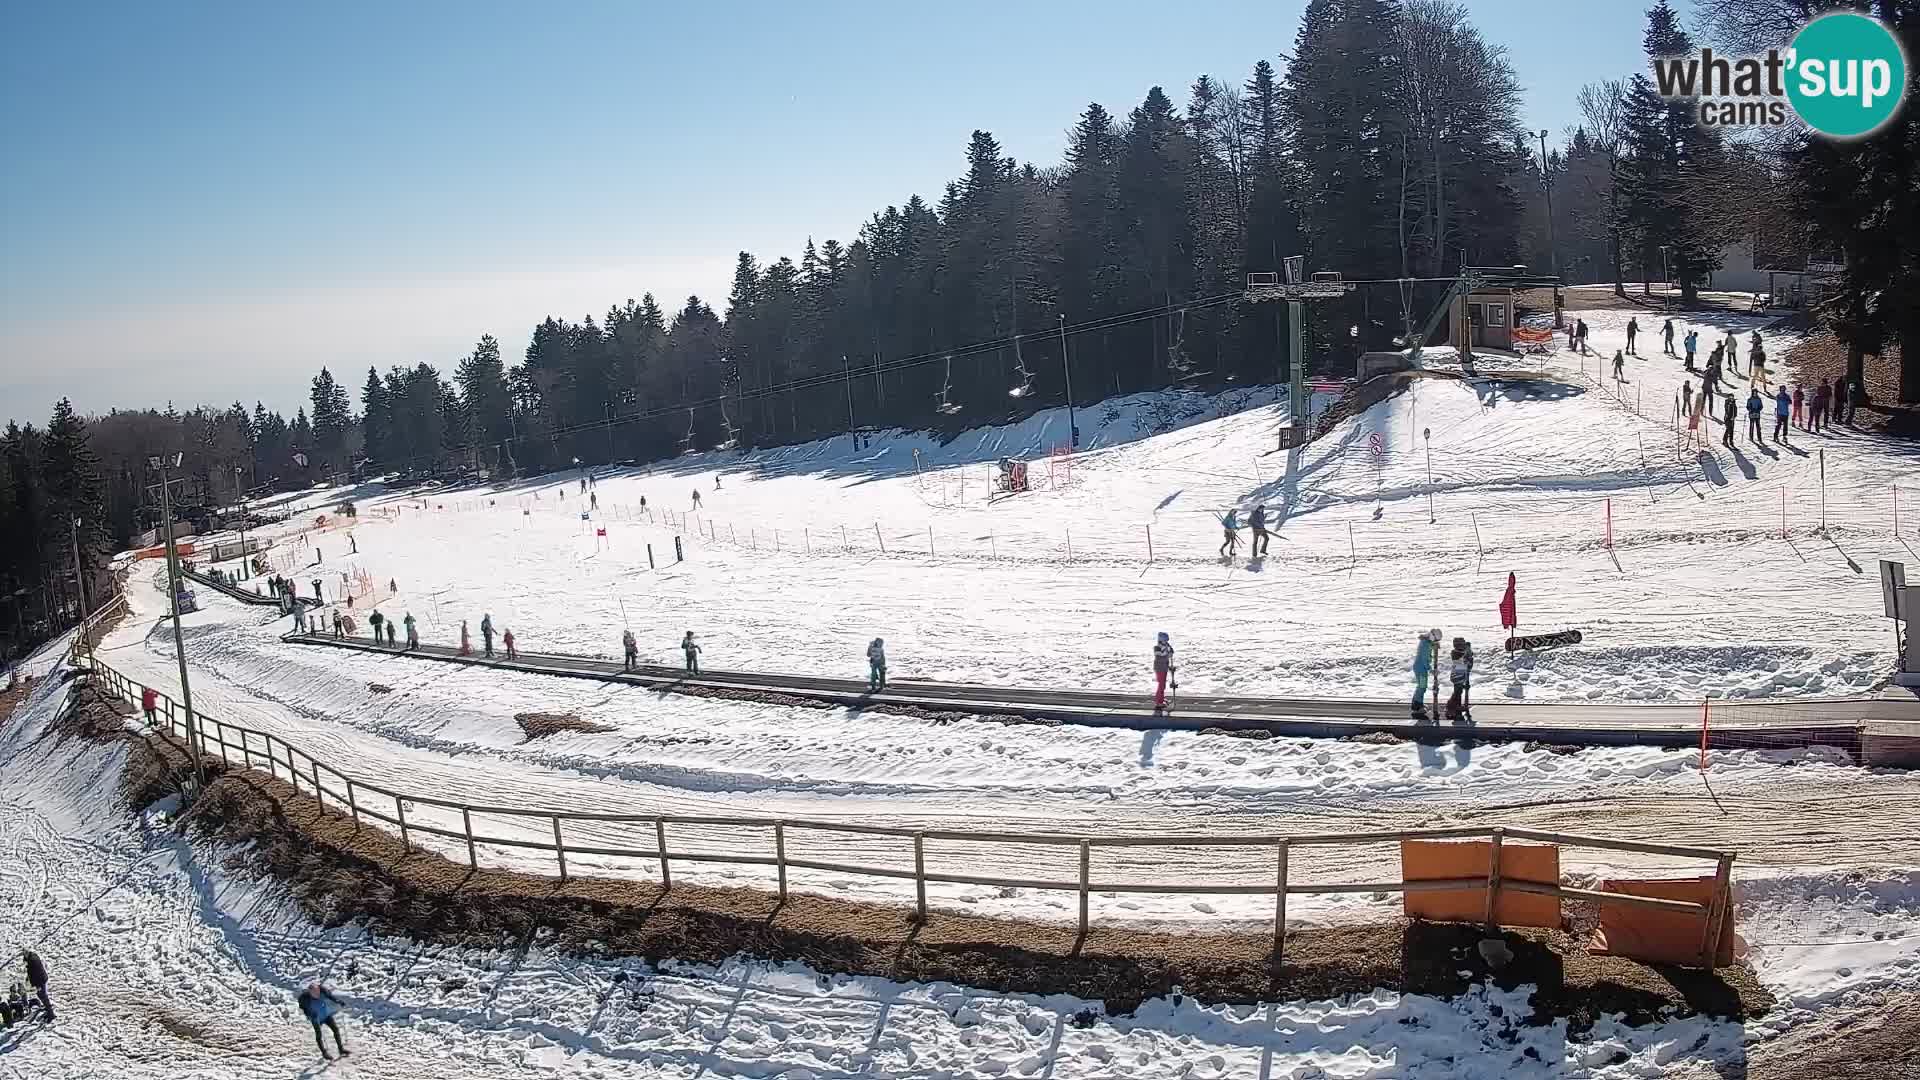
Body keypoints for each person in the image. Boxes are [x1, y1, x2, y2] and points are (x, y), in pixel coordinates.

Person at [297, 983, 349, 1060]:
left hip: (326, 1015)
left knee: (335, 1029)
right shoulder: (305, 999)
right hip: (315, 1019)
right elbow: (304, 1010)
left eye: (318, 992)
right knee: (319, 1035)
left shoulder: (323, 991)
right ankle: (324, 1053)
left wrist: (338, 1001)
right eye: (315, 993)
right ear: (310, 992)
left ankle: (341, 1049)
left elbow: (330, 997)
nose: (317, 994)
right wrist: (310, 1014)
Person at [1411, 629, 1439, 719]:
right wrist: (1430, 670)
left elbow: (1429, 646)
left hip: (1420, 668)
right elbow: (1424, 659)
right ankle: (1417, 706)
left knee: (1422, 686)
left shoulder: (1426, 642)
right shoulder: (1425, 645)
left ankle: (1418, 703)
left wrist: (1433, 645)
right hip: (1421, 668)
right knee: (1422, 686)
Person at [1446, 637, 1474, 720]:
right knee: (1457, 692)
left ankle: (1455, 706)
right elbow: (1466, 659)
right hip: (1457, 676)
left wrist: (1468, 651)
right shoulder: (1457, 653)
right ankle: (1451, 707)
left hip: (1460, 676)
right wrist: (1468, 650)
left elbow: (1468, 660)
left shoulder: (1458, 653)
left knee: (1458, 692)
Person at [22, 949, 50, 1022]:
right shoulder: (32, 957)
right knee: (40, 995)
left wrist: (37, 985)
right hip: (39, 980)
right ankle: (47, 1008)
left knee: (43, 996)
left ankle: (51, 1014)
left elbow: (35, 974)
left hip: (40, 981)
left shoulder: (33, 962)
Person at [1152, 632, 1175, 710]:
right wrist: (1167, 653)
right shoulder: (1157, 647)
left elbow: (1170, 650)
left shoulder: (1166, 645)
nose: (1166, 642)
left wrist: (1171, 651)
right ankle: (1159, 702)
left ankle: (1161, 698)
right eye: (1165, 640)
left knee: (1163, 685)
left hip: (1164, 667)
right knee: (1161, 685)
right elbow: (1161, 654)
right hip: (1159, 668)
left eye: (1167, 640)